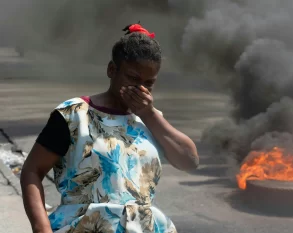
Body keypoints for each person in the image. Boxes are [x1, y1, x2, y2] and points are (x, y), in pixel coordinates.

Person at [20, 23, 199, 233]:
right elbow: (32, 170)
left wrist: (149, 114)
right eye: (133, 78)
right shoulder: (74, 115)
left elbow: (190, 160)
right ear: (112, 70)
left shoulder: (151, 120)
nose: (140, 88)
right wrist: (42, 229)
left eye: (149, 83)